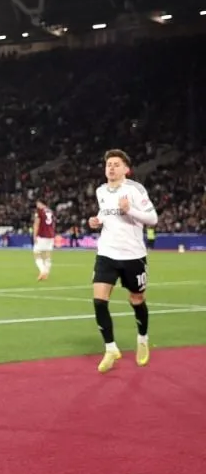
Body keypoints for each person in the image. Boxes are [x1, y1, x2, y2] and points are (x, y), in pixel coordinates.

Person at [88, 149, 158, 373]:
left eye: (116, 164)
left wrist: (131, 210)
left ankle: (142, 339)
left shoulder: (135, 190)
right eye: (108, 164)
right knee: (99, 300)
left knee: (136, 299)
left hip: (133, 256)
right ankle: (110, 348)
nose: (111, 167)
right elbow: (105, 213)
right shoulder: (101, 191)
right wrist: (97, 220)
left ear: (126, 169)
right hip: (107, 253)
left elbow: (153, 219)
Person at [31, 199, 57, 281]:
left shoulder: (39, 211)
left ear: (40, 203)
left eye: (37, 203)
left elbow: (36, 224)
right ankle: (46, 272)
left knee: (37, 254)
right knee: (47, 255)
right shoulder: (50, 211)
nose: (36, 205)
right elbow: (53, 224)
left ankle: (42, 271)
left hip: (42, 235)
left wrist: (34, 236)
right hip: (51, 235)